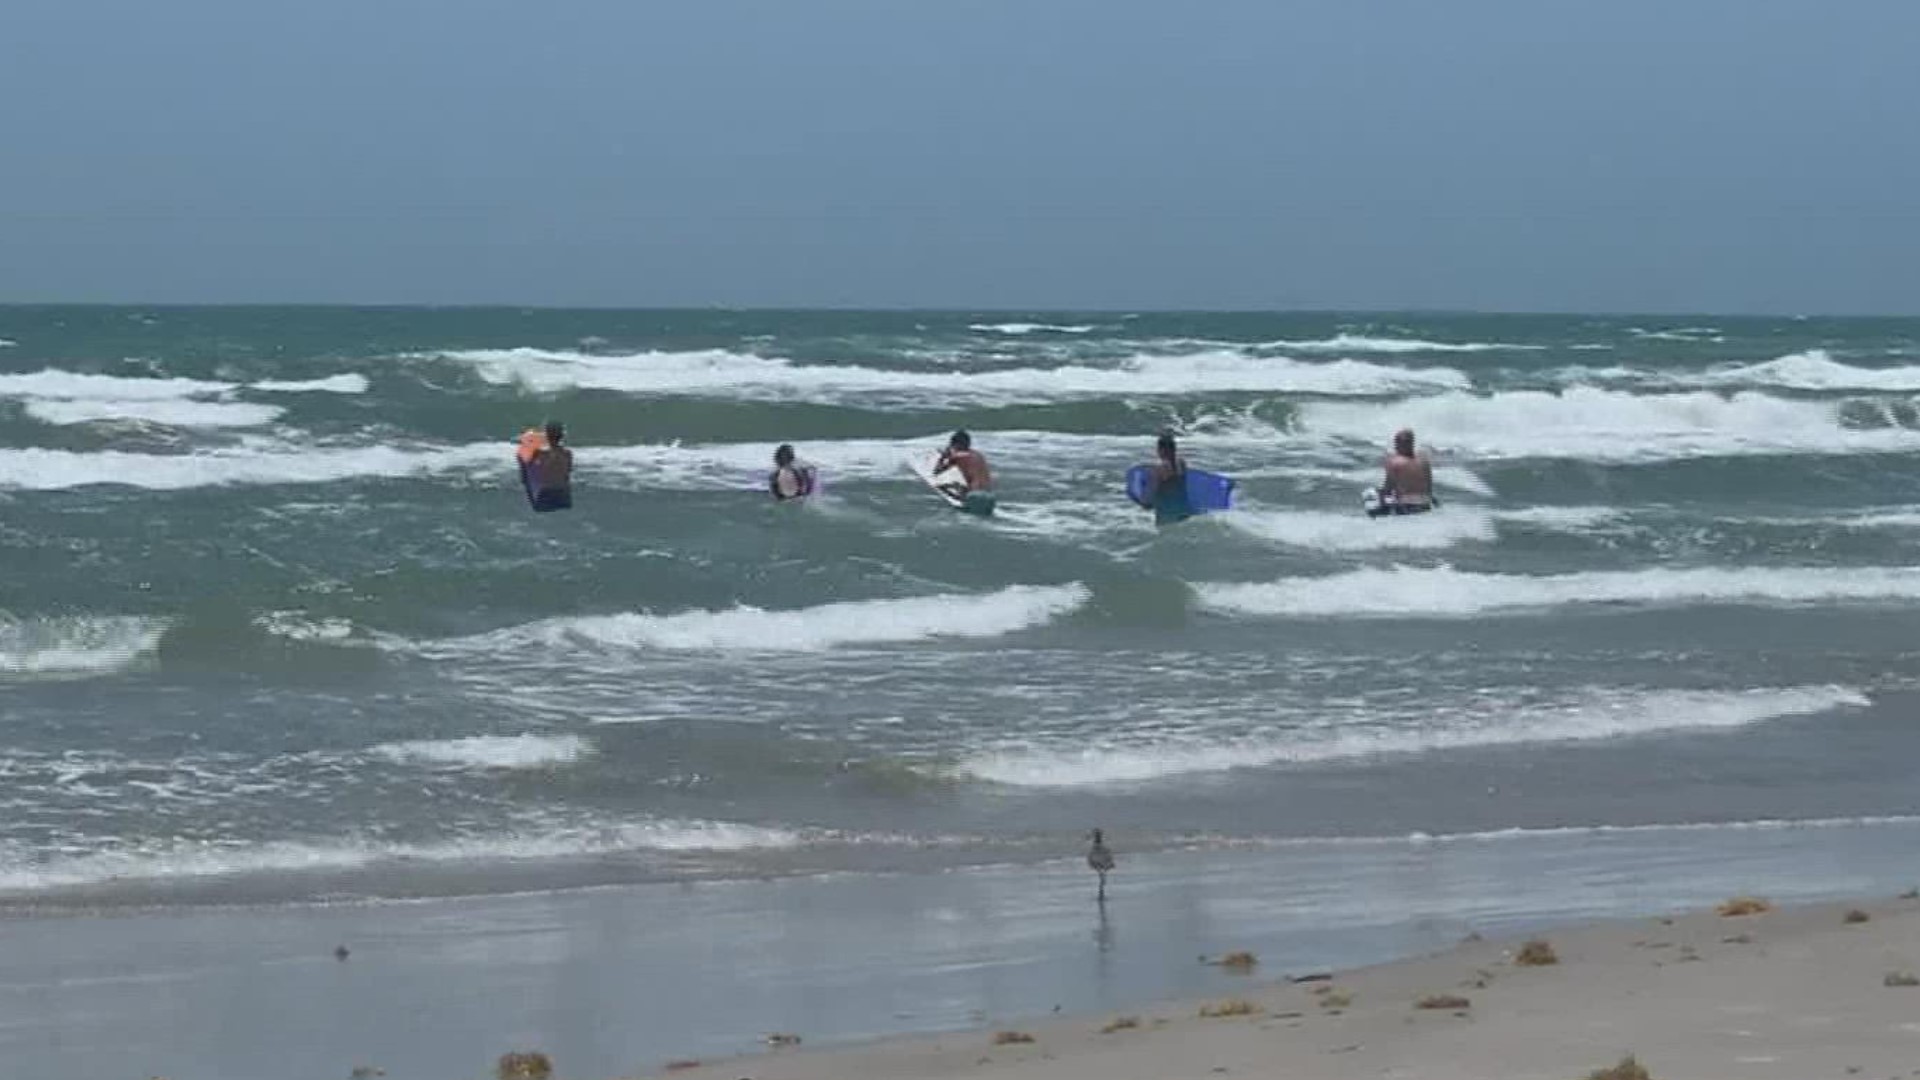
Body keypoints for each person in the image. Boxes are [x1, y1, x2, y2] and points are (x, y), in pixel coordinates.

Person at [1370, 427, 1435, 517]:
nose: (1395, 446)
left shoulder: (1394, 462)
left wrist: (1381, 497)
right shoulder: (1424, 461)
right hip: (1425, 505)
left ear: (1399, 443)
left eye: (1396, 443)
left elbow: (1388, 488)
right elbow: (1429, 488)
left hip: (1406, 506)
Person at [932, 430, 996, 516]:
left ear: (956, 444)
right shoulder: (978, 454)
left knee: (940, 486)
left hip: (974, 495)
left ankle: (961, 502)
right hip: (989, 496)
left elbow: (937, 471)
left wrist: (944, 456)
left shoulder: (956, 456)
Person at [516, 420, 573, 512]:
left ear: (546, 436)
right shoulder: (567, 454)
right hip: (564, 497)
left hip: (545, 497)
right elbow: (567, 474)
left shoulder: (539, 455)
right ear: (562, 436)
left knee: (525, 463)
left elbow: (525, 478)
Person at [1138, 430, 1193, 526]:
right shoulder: (1181, 463)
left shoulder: (1158, 470)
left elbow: (1148, 503)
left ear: (1161, 450)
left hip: (1166, 517)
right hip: (1183, 513)